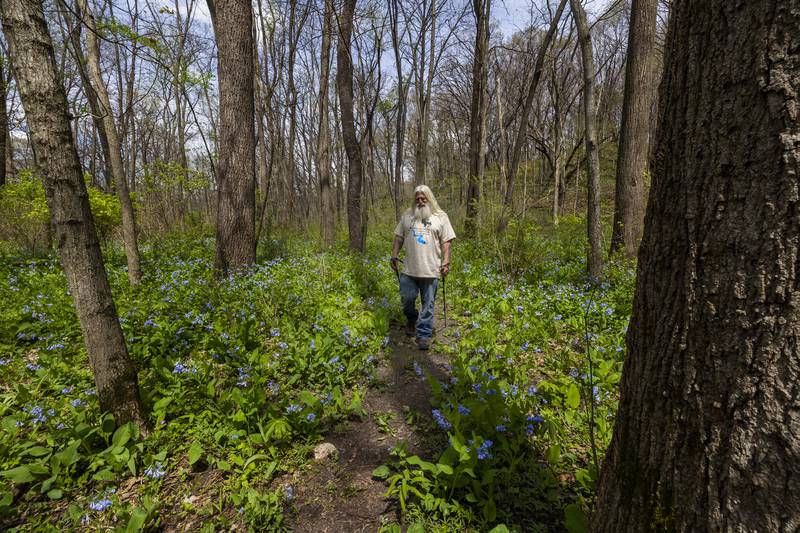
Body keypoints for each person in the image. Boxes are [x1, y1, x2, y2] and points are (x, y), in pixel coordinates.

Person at [390, 185, 456, 350]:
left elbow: (446, 242)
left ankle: (424, 334)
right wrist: (394, 255)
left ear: (429, 198)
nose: (420, 201)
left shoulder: (440, 217)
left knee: (428, 304)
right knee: (407, 298)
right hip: (409, 269)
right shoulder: (407, 215)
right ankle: (412, 319)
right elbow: (398, 237)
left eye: (423, 198)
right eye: (417, 198)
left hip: (431, 269)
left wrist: (446, 262)